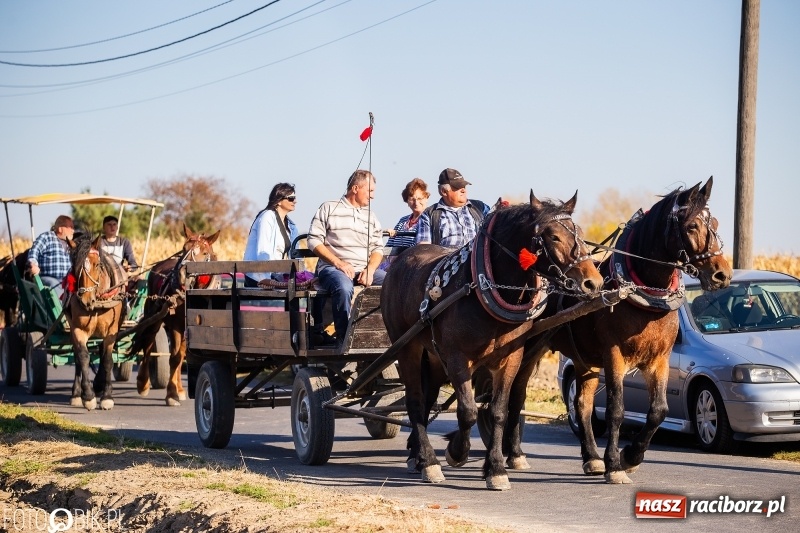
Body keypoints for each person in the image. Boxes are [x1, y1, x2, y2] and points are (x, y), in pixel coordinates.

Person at [307, 169, 385, 344]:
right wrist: (339, 263)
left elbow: (377, 249)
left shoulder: (371, 216)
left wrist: (370, 270)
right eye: (370, 191)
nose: (372, 196)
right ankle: (344, 338)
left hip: (363, 270)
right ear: (355, 188)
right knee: (343, 287)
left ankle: (383, 335)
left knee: (391, 283)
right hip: (333, 269)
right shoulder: (329, 207)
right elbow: (313, 241)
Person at [243, 183, 300, 288]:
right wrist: (267, 281)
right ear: (279, 201)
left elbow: (295, 256)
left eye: (295, 198)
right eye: (291, 198)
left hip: (275, 276)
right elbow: (263, 251)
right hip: (259, 276)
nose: (295, 201)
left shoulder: (290, 226)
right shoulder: (267, 216)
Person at [415, 168, 489, 248]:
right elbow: (424, 249)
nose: (463, 190)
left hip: (477, 254)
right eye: (458, 187)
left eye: (464, 186)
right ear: (444, 191)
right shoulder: (429, 214)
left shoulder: (480, 207)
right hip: (447, 255)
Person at [27, 214, 74, 296]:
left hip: (67, 280)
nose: (73, 230)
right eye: (70, 227)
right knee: (54, 284)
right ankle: (61, 304)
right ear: (60, 229)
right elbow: (34, 250)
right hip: (49, 278)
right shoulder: (47, 237)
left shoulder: (71, 243)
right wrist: (33, 264)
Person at [386, 177, 430, 249]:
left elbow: (422, 246)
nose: (416, 203)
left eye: (420, 198)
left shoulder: (429, 220)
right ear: (407, 201)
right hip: (394, 256)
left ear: (426, 198)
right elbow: (389, 245)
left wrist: (400, 252)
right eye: (412, 199)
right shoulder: (402, 221)